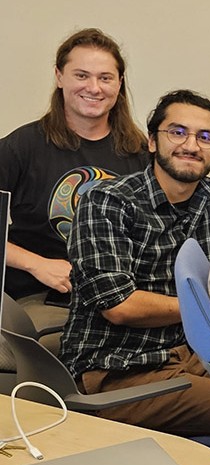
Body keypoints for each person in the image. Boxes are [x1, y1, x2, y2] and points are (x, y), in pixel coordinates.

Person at [60, 90, 210, 437]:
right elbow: (120, 306)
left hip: (196, 356)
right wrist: (208, 309)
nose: (191, 145)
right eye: (177, 132)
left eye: (206, 137)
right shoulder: (106, 201)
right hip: (119, 369)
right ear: (152, 142)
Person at [0, 28, 147, 333]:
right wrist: (37, 264)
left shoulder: (141, 153)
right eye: (81, 75)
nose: (94, 88)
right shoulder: (22, 145)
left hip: (121, 297)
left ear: (119, 84)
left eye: (105, 78)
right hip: (38, 297)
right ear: (59, 76)